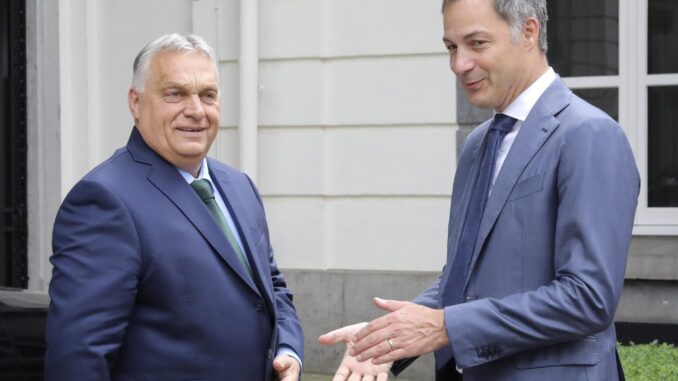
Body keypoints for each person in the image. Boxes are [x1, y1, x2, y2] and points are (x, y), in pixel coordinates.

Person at [319, 0, 639, 380]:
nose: (459, 64)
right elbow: (464, 278)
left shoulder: (589, 134)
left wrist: (444, 326)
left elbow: (587, 299)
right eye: (451, 47)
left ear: (529, 32)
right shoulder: (478, 144)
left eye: (476, 43)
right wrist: (386, 340)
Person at [46, 33, 304, 381]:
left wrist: (288, 351)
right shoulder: (104, 200)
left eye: (207, 95)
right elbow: (78, 357)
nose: (196, 110)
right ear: (135, 102)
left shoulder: (239, 187)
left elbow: (270, 288)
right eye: (175, 93)